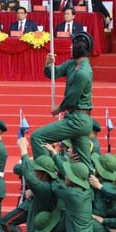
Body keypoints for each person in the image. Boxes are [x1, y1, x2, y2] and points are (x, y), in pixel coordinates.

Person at [31, 32, 94, 169]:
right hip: (79, 119)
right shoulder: (73, 64)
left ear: (79, 48)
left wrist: (58, 109)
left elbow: (72, 98)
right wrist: (48, 64)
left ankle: (46, 172)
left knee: (37, 137)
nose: (70, 48)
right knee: (84, 162)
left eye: (73, 45)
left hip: (77, 120)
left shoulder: (83, 72)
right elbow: (53, 73)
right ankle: (90, 179)